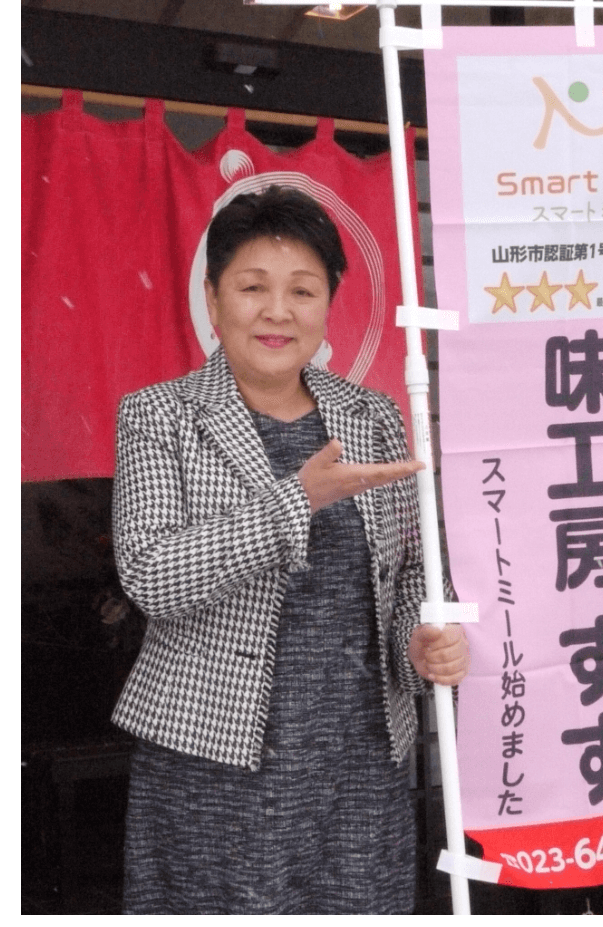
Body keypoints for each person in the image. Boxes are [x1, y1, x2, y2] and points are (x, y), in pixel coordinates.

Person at [111, 185, 469, 915]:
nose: (278, 311)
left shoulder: (372, 416)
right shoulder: (158, 415)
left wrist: (423, 640)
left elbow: (413, 571)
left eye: (302, 290)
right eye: (252, 287)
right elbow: (151, 575)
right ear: (213, 300)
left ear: (327, 304)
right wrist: (295, 499)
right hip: (210, 768)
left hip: (358, 765)